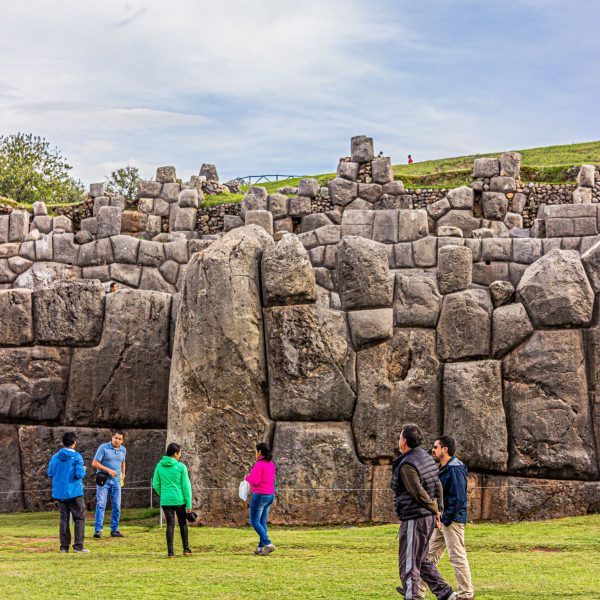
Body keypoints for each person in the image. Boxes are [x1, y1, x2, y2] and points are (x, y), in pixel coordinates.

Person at [390, 424, 457, 600]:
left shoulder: (407, 464)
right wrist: (438, 509)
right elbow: (437, 485)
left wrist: (436, 509)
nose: (399, 440)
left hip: (415, 517)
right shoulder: (426, 457)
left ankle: (413, 597)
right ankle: (446, 594)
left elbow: (417, 492)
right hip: (426, 516)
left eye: (399, 437)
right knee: (422, 560)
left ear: (404, 441)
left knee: (410, 564)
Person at [418, 436, 474, 600]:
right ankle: (416, 591)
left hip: (452, 520)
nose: (433, 450)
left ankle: (466, 594)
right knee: (427, 556)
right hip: (443, 520)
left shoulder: (455, 469)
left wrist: (446, 518)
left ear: (445, 449)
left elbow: (458, 499)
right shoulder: (443, 468)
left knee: (457, 556)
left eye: (435, 447)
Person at [47, 431, 89, 553]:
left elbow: (50, 473)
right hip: (74, 492)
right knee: (79, 518)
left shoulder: (55, 457)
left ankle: (64, 547)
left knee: (64, 519)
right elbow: (79, 474)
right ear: (74, 442)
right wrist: (83, 469)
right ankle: (78, 546)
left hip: (60, 493)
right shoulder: (77, 457)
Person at [152, 442, 193, 558]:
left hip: (166, 500)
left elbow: (155, 483)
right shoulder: (181, 467)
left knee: (170, 525)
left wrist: (163, 493)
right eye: (179, 453)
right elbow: (186, 487)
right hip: (179, 500)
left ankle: (170, 552)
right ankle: (186, 549)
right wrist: (189, 504)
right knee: (183, 524)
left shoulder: (159, 466)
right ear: (175, 454)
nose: (180, 455)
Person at [92, 431, 126, 538]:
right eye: (116, 438)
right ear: (112, 437)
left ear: (122, 440)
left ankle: (114, 530)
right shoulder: (103, 448)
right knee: (101, 504)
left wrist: (123, 473)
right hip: (103, 480)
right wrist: (108, 470)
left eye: (120, 439)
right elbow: (95, 463)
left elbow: (123, 461)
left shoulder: (123, 449)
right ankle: (98, 530)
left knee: (117, 506)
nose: (117, 440)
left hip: (116, 481)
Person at [245, 442, 276, 556]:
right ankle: (260, 547)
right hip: (269, 495)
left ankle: (268, 544)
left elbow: (256, 480)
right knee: (262, 521)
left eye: (256, 451)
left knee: (254, 521)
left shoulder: (259, 464)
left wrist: (247, 478)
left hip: (260, 495)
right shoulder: (271, 464)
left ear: (260, 452)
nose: (255, 453)